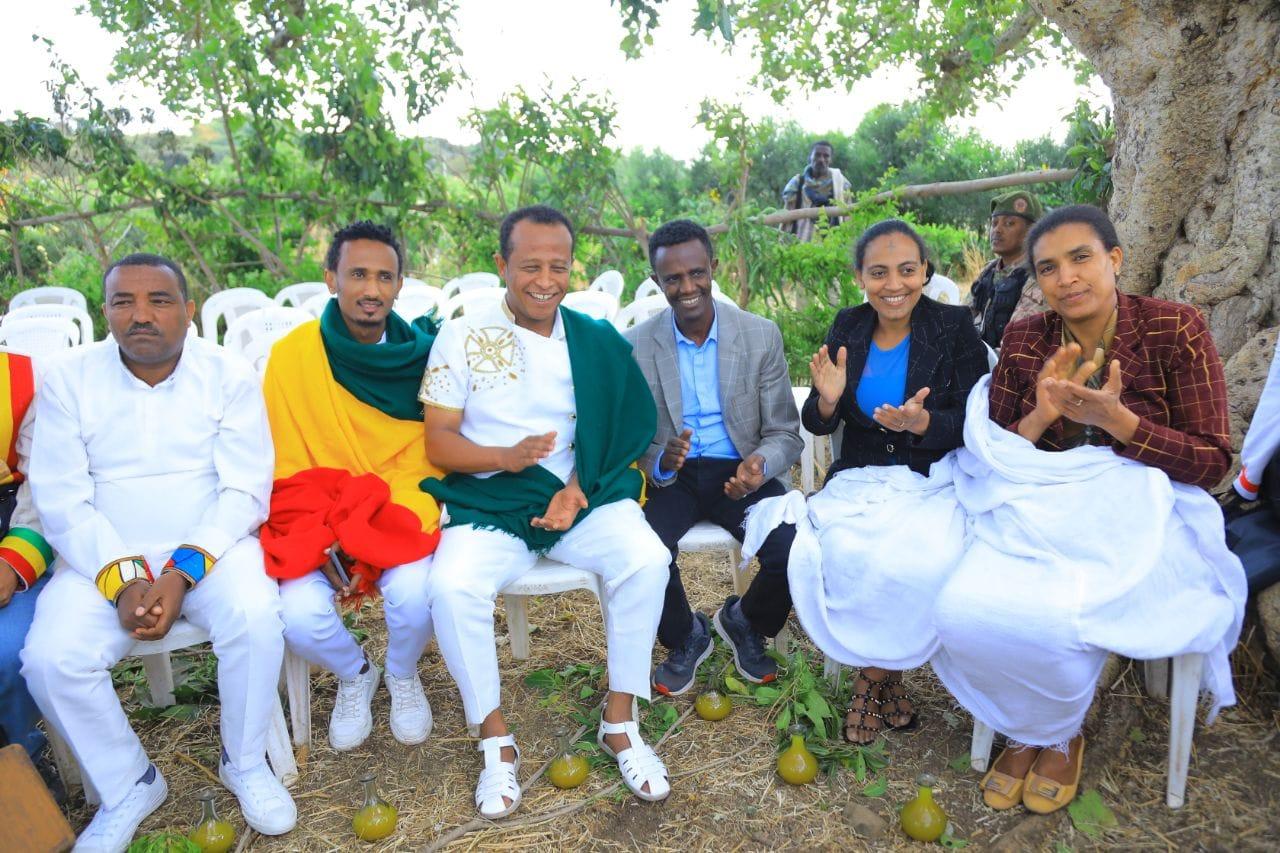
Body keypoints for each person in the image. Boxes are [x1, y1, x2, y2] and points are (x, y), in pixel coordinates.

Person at [931, 205, 1246, 815]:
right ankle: (1037, 720)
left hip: (1142, 512)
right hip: (1039, 505)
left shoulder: (1175, 329)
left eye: (1081, 258)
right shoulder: (1026, 339)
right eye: (1047, 268)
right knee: (962, 604)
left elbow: (1212, 463)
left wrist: (1117, 421)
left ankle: (1049, 733)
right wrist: (1047, 412)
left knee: (1056, 614)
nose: (1066, 278)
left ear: (1115, 260)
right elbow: (997, 452)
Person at [21, 254, 296, 851]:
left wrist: (180, 572)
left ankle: (244, 762)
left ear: (189, 311)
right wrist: (123, 581)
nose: (140, 315)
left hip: (211, 548)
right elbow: (62, 499)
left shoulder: (227, 371)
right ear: (106, 311)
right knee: (48, 658)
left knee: (253, 616)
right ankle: (129, 786)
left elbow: (245, 489)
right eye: (123, 302)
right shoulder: (69, 378)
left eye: (159, 301)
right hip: (100, 557)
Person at [421, 206, 671, 818]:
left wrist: (578, 488)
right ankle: (496, 743)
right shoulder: (460, 336)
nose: (545, 279)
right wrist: (505, 458)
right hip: (492, 500)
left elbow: (619, 429)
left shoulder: (594, 339)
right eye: (530, 265)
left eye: (558, 266)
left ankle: (620, 722)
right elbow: (439, 443)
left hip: (577, 498)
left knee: (647, 560)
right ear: (502, 265)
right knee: (451, 589)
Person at [743, 219, 989, 746]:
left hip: (930, 477)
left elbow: (973, 422)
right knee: (849, 550)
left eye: (906, 270)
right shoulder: (848, 326)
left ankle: (870, 681)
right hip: (857, 477)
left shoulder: (953, 325)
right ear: (861, 276)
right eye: (879, 272)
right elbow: (817, 422)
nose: (893, 284)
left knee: (920, 554)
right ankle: (888, 682)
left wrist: (922, 424)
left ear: (925, 271)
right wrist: (828, 399)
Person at [260, 221, 442, 752]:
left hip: (398, 509)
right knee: (296, 615)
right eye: (357, 274)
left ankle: (403, 673)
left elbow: (428, 459)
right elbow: (286, 463)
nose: (371, 289)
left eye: (385, 276)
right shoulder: (294, 356)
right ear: (330, 278)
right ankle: (356, 671)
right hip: (317, 515)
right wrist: (333, 532)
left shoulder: (425, 356)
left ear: (400, 285)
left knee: (413, 596)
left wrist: (369, 526)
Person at [625, 219, 804, 696]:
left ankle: (745, 621)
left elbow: (786, 431)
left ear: (713, 269)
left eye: (696, 273)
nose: (687, 287)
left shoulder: (759, 335)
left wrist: (760, 465)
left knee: (791, 549)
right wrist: (661, 457)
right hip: (673, 477)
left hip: (740, 470)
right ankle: (685, 636)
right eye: (673, 279)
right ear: (657, 281)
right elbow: (631, 439)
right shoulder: (636, 345)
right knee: (642, 552)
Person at [0, 352, 55, 770]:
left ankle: (23, 767)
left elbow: (45, 490)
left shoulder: (26, 378)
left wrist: (13, 563)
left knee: (6, 649)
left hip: (13, 529)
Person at [968, 190, 1043, 348]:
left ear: (1031, 232)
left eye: (1009, 223)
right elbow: (963, 317)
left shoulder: (1037, 275)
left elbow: (1018, 343)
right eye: (994, 223)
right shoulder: (989, 271)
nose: (997, 230)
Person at [781, 140, 851, 242]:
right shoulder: (797, 183)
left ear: (830, 160)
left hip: (831, 245)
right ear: (810, 157)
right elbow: (787, 213)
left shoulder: (840, 184)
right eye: (817, 155)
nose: (821, 159)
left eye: (826, 156)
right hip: (800, 243)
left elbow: (847, 217)